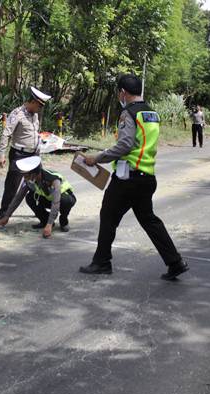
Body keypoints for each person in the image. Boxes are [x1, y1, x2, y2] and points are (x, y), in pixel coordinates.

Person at [78, 74, 188, 280]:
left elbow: (125, 145)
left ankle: (102, 262)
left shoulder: (128, 113)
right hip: (147, 176)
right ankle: (175, 262)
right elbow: (139, 143)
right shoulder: (151, 113)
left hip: (128, 178)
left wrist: (98, 158)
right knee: (149, 220)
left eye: (119, 92)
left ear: (123, 92)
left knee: (108, 216)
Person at [0, 87, 51, 218]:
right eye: (38, 106)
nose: (39, 109)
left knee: (41, 183)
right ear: (32, 102)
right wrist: (1, 154)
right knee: (12, 186)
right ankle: (4, 214)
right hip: (19, 155)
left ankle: (42, 213)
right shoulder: (17, 114)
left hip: (34, 154)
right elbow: (6, 134)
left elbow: (33, 133)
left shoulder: (35, 115)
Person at [0, 156, 76, 238]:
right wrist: (7, 216)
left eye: (26, 176)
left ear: (34, 174)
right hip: (49, 199)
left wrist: (50, 224)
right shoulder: (29, 179)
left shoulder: (53, 180)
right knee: (29, 197)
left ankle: (63, 221)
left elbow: (56, 202)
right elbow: (18, 197)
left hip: (63, 200)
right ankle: (44, 221)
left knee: (65, 201)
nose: (24, 178)